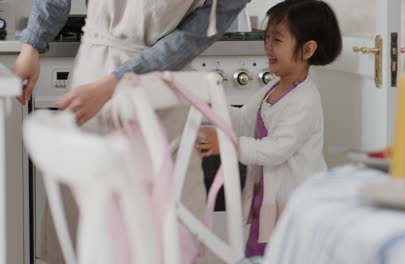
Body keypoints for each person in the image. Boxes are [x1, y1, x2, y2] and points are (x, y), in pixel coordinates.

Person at [13, 0, 249, 263]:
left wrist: (115, 81)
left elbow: (188, 40)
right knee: (89, 213)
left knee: (169, 219)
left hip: (159, 90)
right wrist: (31, 46)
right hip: (96, 79)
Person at [195, 0, 342, 257]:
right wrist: (206, 106)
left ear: (307, 50)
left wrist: (228, 145)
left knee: (286, 253)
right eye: (266, 38)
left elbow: (276, 150)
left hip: (293, 202)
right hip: (267, 197)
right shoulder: (272, 88)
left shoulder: (305, 100)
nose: (267, 47)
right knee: (260, 250)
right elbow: (243, 120)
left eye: (277, 40)